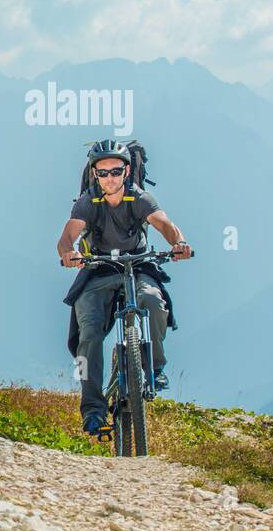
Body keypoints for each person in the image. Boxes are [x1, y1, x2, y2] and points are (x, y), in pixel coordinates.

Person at [56, 140, 192, 437]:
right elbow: (67, 237)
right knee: (88, 334)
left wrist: (178, 243)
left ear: (127, 171)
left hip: (138, 266)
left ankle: (155, 368)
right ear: (94, 174)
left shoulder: (139, 198)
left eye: (116, 171)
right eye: (102, 173)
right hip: (98, 270)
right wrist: (69, 253)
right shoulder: (87, 202)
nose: (110, 179)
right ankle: (93, 411)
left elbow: (164, 223)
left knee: (153, 302)